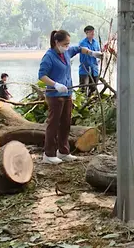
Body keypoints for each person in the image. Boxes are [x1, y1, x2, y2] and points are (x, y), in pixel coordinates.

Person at [38, 30, 103, 164]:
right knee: (53, 124)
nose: (67, 46)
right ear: (56, 42)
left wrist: (92, 53)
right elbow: (42, 75)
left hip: (67, 93)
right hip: (55, 95)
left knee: (66, 124)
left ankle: (63, 151)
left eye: (68, 44)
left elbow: (79, 49)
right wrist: (55, 84)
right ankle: (48, 154)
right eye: (64, 44)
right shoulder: (49, 56)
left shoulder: (66, 52)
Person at [79, 25, 101, 96]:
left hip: (94, 69)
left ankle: (91, 103)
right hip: (85, 69)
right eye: (91, 32)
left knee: (93, 88)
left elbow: (98, 53)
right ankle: (83, 104)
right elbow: (85, 55)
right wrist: (92, 53)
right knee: (83, 89)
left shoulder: (96, 43)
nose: (92, 33)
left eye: (93, 32)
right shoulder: (82, 43)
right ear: (86, 33)